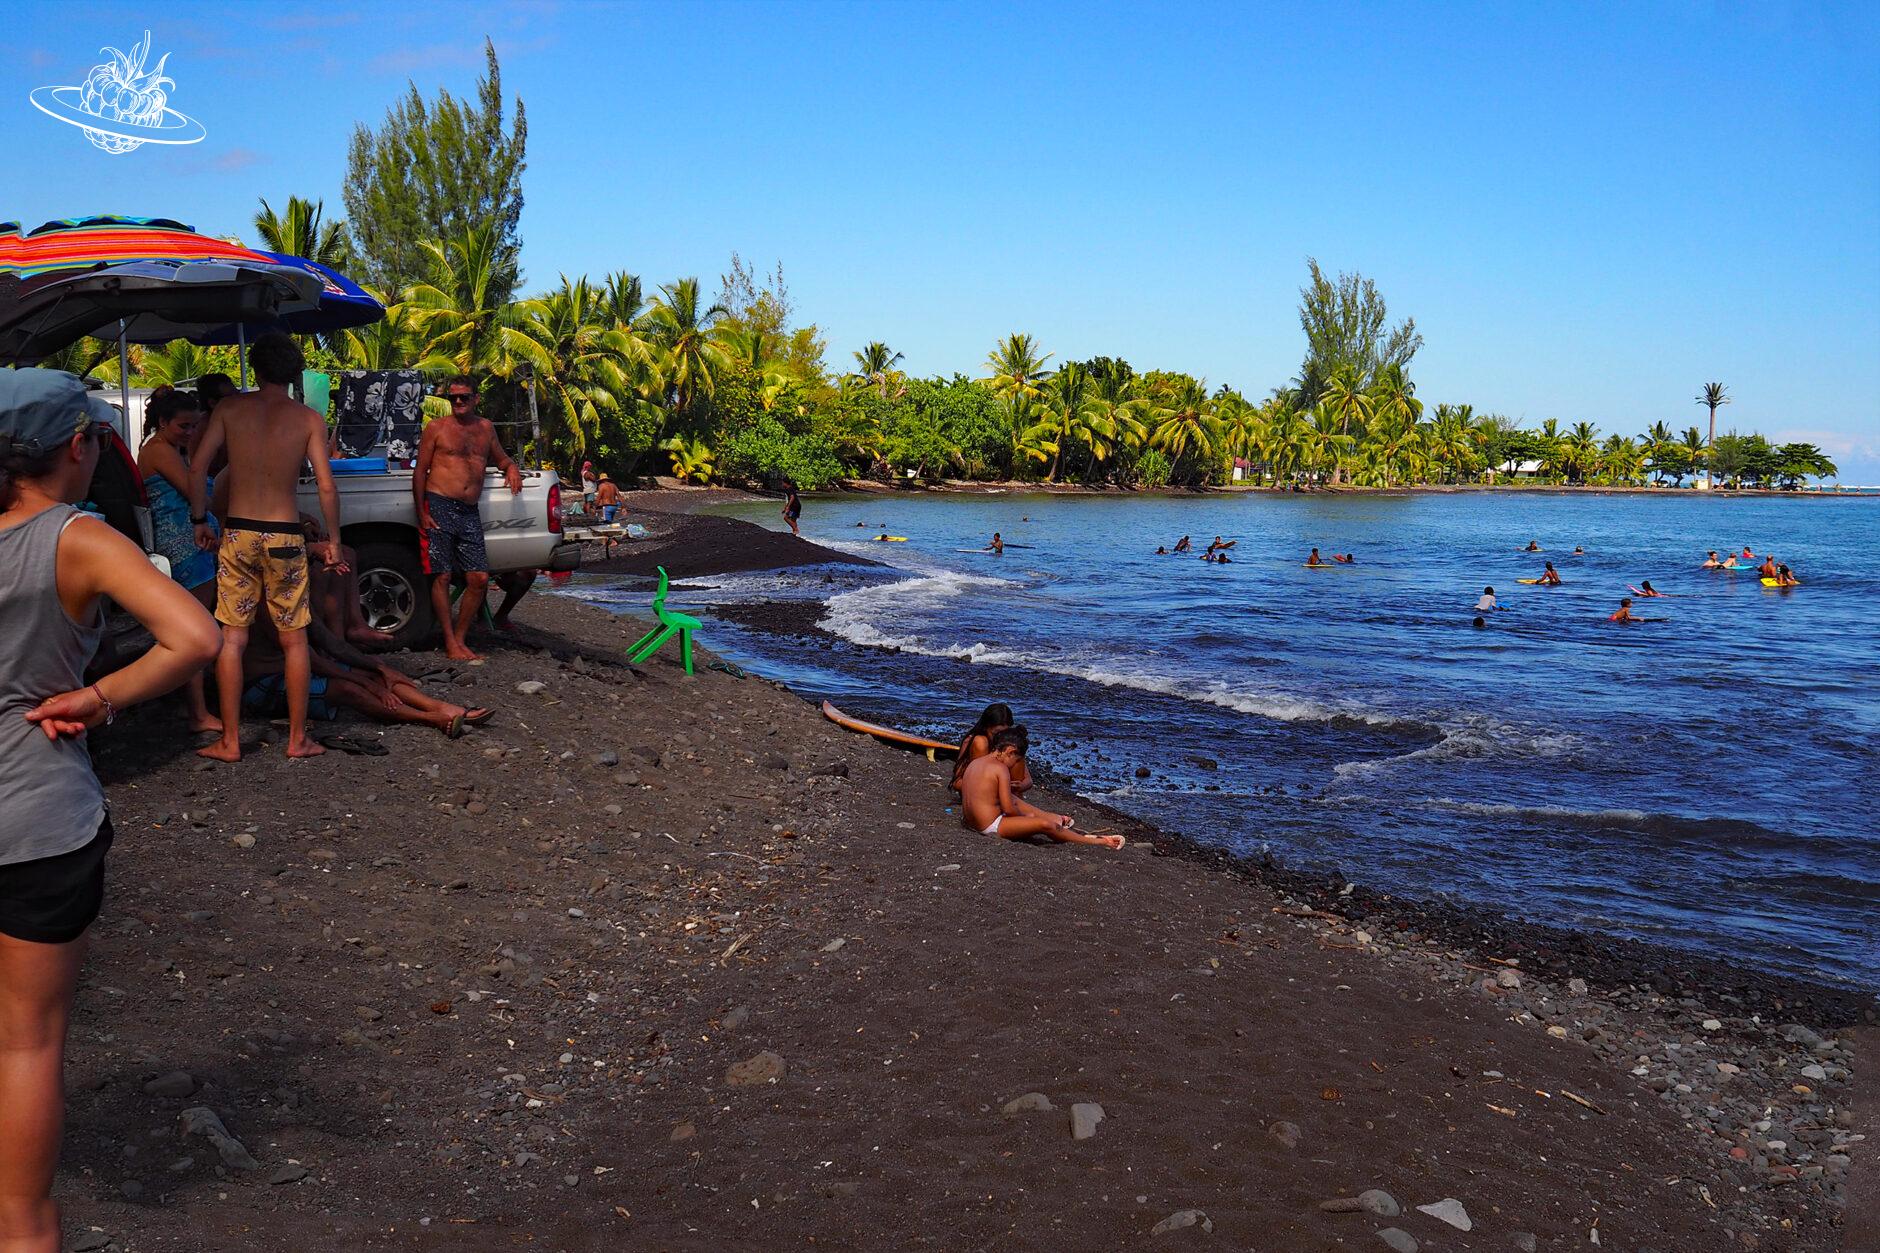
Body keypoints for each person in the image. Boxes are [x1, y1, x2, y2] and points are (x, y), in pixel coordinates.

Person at [1, 368, 220, 1253]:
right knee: (26, 1044)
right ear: (79, 449)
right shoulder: (73, 537)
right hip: (37, 817)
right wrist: (99, 700)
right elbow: (194, 636)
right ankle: (22, 1230)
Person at [188, 332, 344, 761]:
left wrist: (200, 519)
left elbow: (199, 465)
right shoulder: (308, 419)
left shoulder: (230, 408)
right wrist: (333, 541)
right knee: (293, 640)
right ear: (293, 373)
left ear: (255, 369)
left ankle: (230, 740)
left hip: (238, 531)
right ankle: (297, 739)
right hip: (284, 535)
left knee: (232, 637)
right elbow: (327, 487)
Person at [413, 376, 523, 662]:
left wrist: (511, 467)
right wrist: (422, 512)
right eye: (453, 398)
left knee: (479, 578)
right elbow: (420, 471)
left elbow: (500, 457)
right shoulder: (436, 428)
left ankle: (460, 637)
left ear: (476, 398)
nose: (458, 402)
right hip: (438, 504)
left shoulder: (485, 428)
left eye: (463, 397)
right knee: (443, 575)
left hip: (468, 511)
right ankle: (450, 641)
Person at [136, 387, 221, 731]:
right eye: (183, 426)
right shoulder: (160, 451)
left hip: (188, 540)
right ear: (163, 422)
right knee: (197, 625)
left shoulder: (168, 448)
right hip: (182, 543)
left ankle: (199, 706)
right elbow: (194, 490)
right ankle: (198, 713)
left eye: (193, 426)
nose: (189, 432)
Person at [956, 727, 1123, 849]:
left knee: (1013, 799)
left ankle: (1057, 820)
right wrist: (1026, 817)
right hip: (990, 826)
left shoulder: (976, 763)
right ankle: (1098, 841)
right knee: (1045, 825)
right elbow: (1008, 808)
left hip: (971, 822)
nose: (1013, 765)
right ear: (1010, 751)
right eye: (1015, 760)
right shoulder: (1000, 768)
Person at [949, 703, 1031, 794]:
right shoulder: (976, 741)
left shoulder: (1007, 741)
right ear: (986, 727)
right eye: (996, 733)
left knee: (1016, 748)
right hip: (977, 790)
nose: (1000, 737)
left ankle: (1013, 800)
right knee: (981, 742)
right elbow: (956, 782)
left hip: (999, 788)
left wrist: (1021, 786)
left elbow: (1028, 780)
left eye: (1004, 733)